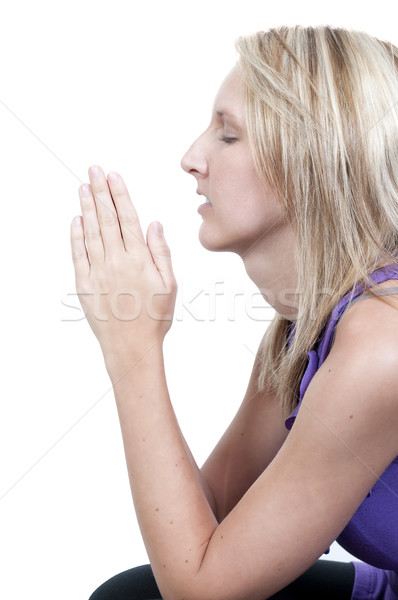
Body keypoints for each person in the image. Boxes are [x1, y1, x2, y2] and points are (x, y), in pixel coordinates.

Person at [70, 25, 398, 600]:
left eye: (227, 136)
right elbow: (214, 513)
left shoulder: (382, 345)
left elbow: (203, 591)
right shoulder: (307, 329)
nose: (190, 158)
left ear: (311, 164)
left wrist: (133, 352)